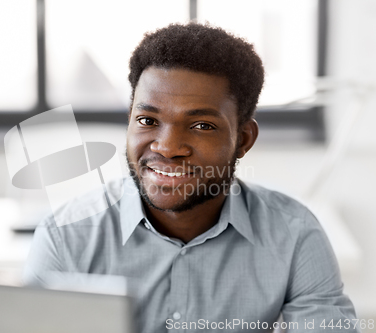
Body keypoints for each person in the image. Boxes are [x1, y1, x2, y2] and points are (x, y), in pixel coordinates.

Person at [24, 22, 360, 333]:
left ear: (243, 140)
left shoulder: (295, 235)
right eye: (146, 120)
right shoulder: (65, 237)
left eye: (202, 126)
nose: (167, 147)